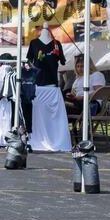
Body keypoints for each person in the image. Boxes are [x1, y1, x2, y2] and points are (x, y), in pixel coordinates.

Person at [26, 23, 71, 152]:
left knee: (53, 117)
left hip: (52, 86)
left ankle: (55, 138)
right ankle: (36, 138)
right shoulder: (34, 43)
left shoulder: (57, 44)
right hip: (37, 86)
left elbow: (62, 61)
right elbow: (29, 61)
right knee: (37, 116)